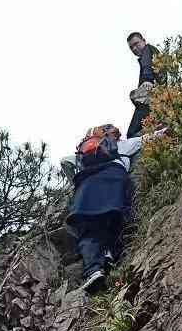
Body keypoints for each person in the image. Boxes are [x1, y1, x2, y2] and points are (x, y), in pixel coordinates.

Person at [62, 124, 162, 293]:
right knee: (116, 218)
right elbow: (152, 137)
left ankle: (93, 271)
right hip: (114, 179)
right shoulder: (124, 145)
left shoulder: (84, 151)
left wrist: (77, 181)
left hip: (88, 185)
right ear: (114, 135)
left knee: (90, 229)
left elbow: (64, 161)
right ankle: (110, 253)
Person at [126, 31, 163, 138]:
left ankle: (154, 131)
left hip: (149, 98)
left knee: (131, 134)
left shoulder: (148, 49)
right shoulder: (152, 52)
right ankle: (154, 131)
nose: (134, 48)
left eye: (136, 44)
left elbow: (147, 65)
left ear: (144, 41)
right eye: (131, 47)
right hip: (156, 99)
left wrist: (147, 80)